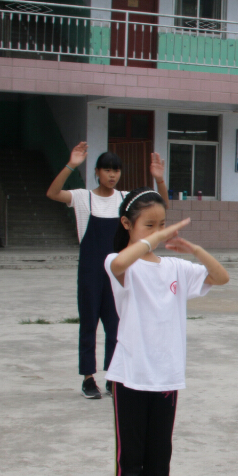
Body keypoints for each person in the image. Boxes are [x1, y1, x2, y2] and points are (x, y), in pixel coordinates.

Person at [104, 189, 228, 476]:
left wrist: (194, 250)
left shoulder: (174, 268)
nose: (158, 232)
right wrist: (151, 239)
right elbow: (119, 262)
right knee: (131, 461)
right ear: (127, 224)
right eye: (150, 225)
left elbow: (221, 277)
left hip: (166, 378)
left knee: (160, 460)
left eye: (162, 225)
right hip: (130, 375)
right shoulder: (121, 263)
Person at [46, 141, 167, 398]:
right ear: (97, 172)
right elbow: (53, 193)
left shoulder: (126, 199)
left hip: (119, 271)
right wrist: (71, 165)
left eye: (116, 170)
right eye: (107, 170)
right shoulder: (83, 197)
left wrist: (159, 180)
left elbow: (161, 205)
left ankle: (114, 376)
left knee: (117, 326)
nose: (112, 175)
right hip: (90, 271)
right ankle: (88, 378)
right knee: (88, 324)